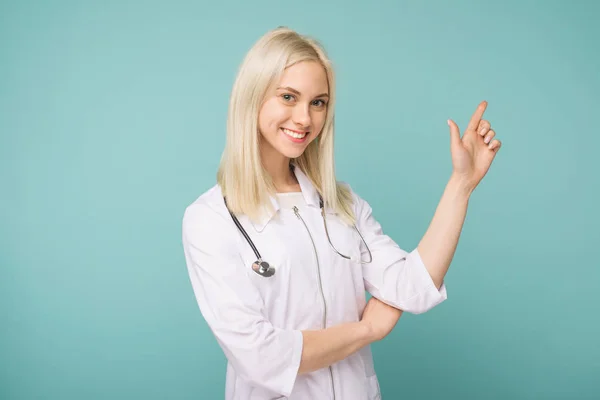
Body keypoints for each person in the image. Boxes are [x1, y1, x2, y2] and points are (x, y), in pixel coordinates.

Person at [181, 26, 501, 400]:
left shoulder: (340, 203)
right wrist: (366, 331)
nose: (304, 118)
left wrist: (461, 185)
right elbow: (260, 357)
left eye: (318, 102)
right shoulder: (211, 219)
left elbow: (411, 287)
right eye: (288, 97)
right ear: (252, 98)